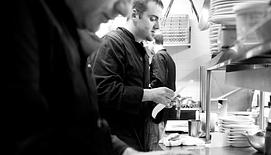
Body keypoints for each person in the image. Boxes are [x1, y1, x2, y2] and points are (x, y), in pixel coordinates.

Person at [4, 0, 192, 155]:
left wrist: (129, 153)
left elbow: (85, 124)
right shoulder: (24, 18)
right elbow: (27, 131)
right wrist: (149, 94)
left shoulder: (72, 34)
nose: (122, 9)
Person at [89, 0, 175, 152]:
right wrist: (150, 94)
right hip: (117, 144)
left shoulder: (140, 51)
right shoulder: (112, 43)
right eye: (153, 19)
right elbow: (103, 91)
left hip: (137, 140)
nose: (158, 26)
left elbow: (137, 101)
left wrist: (159, 100)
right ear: (135, 14)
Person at [149, 32, 177, 149]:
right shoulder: (169, 57)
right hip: (166, 107)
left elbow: (159, 80)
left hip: (159, 108)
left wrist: (147, 89)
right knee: (164, 142)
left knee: (158, 143)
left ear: (152, 43)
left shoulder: (158, 57)